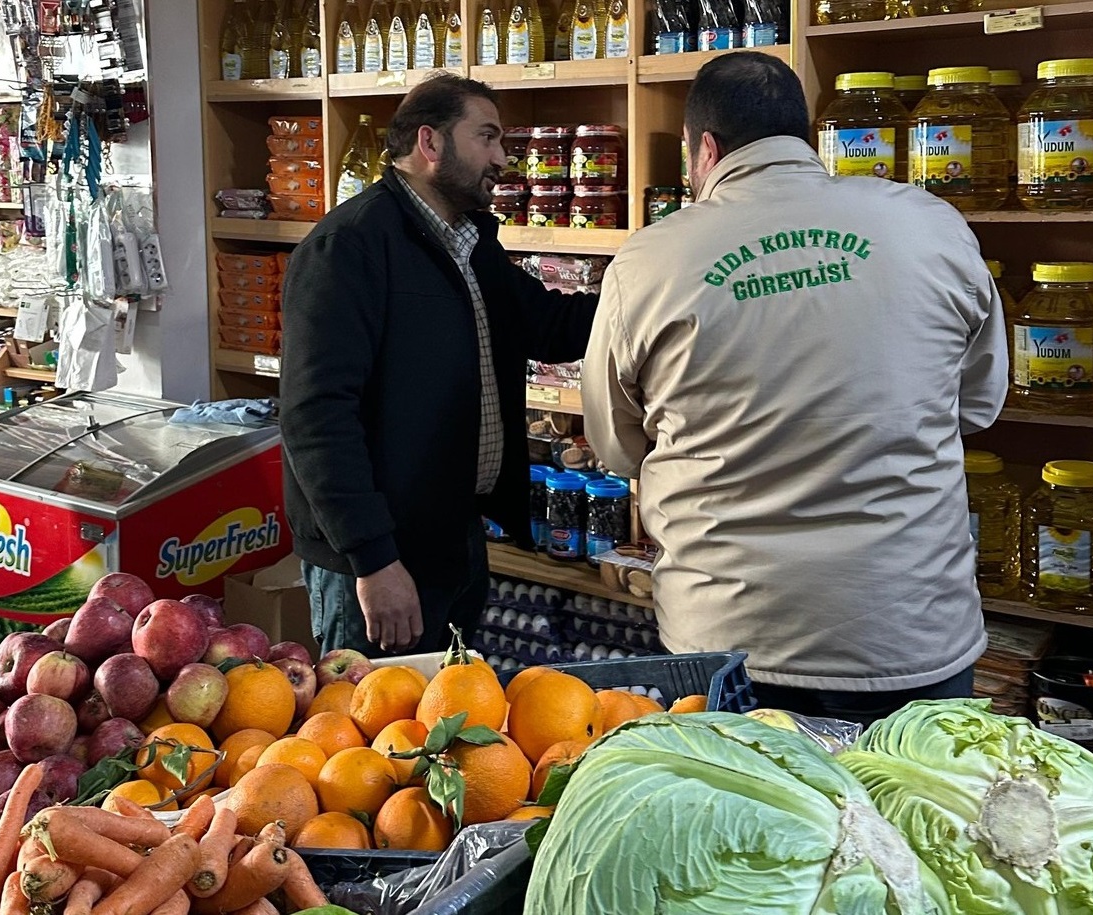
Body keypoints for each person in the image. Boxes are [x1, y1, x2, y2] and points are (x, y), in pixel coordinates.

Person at [582, 53, 1008, 724]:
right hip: (908, 627)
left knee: (748, 828)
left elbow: (614, 443)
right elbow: (977, 404)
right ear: (804, 139)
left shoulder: (649, 259)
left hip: (729, 636)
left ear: (705, 150)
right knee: (911, 824)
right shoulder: (930, 224)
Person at [281, 75, 598, 657]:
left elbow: (550, 326)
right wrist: (374, 560)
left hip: (455, 539)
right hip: (379, 563)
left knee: (446, 732)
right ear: (430, 143)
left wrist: (653, 291)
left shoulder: (471, 244)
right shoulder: (349, 246)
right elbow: (315, 416)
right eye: (487, 137)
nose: (502, 157)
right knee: (366, 737)